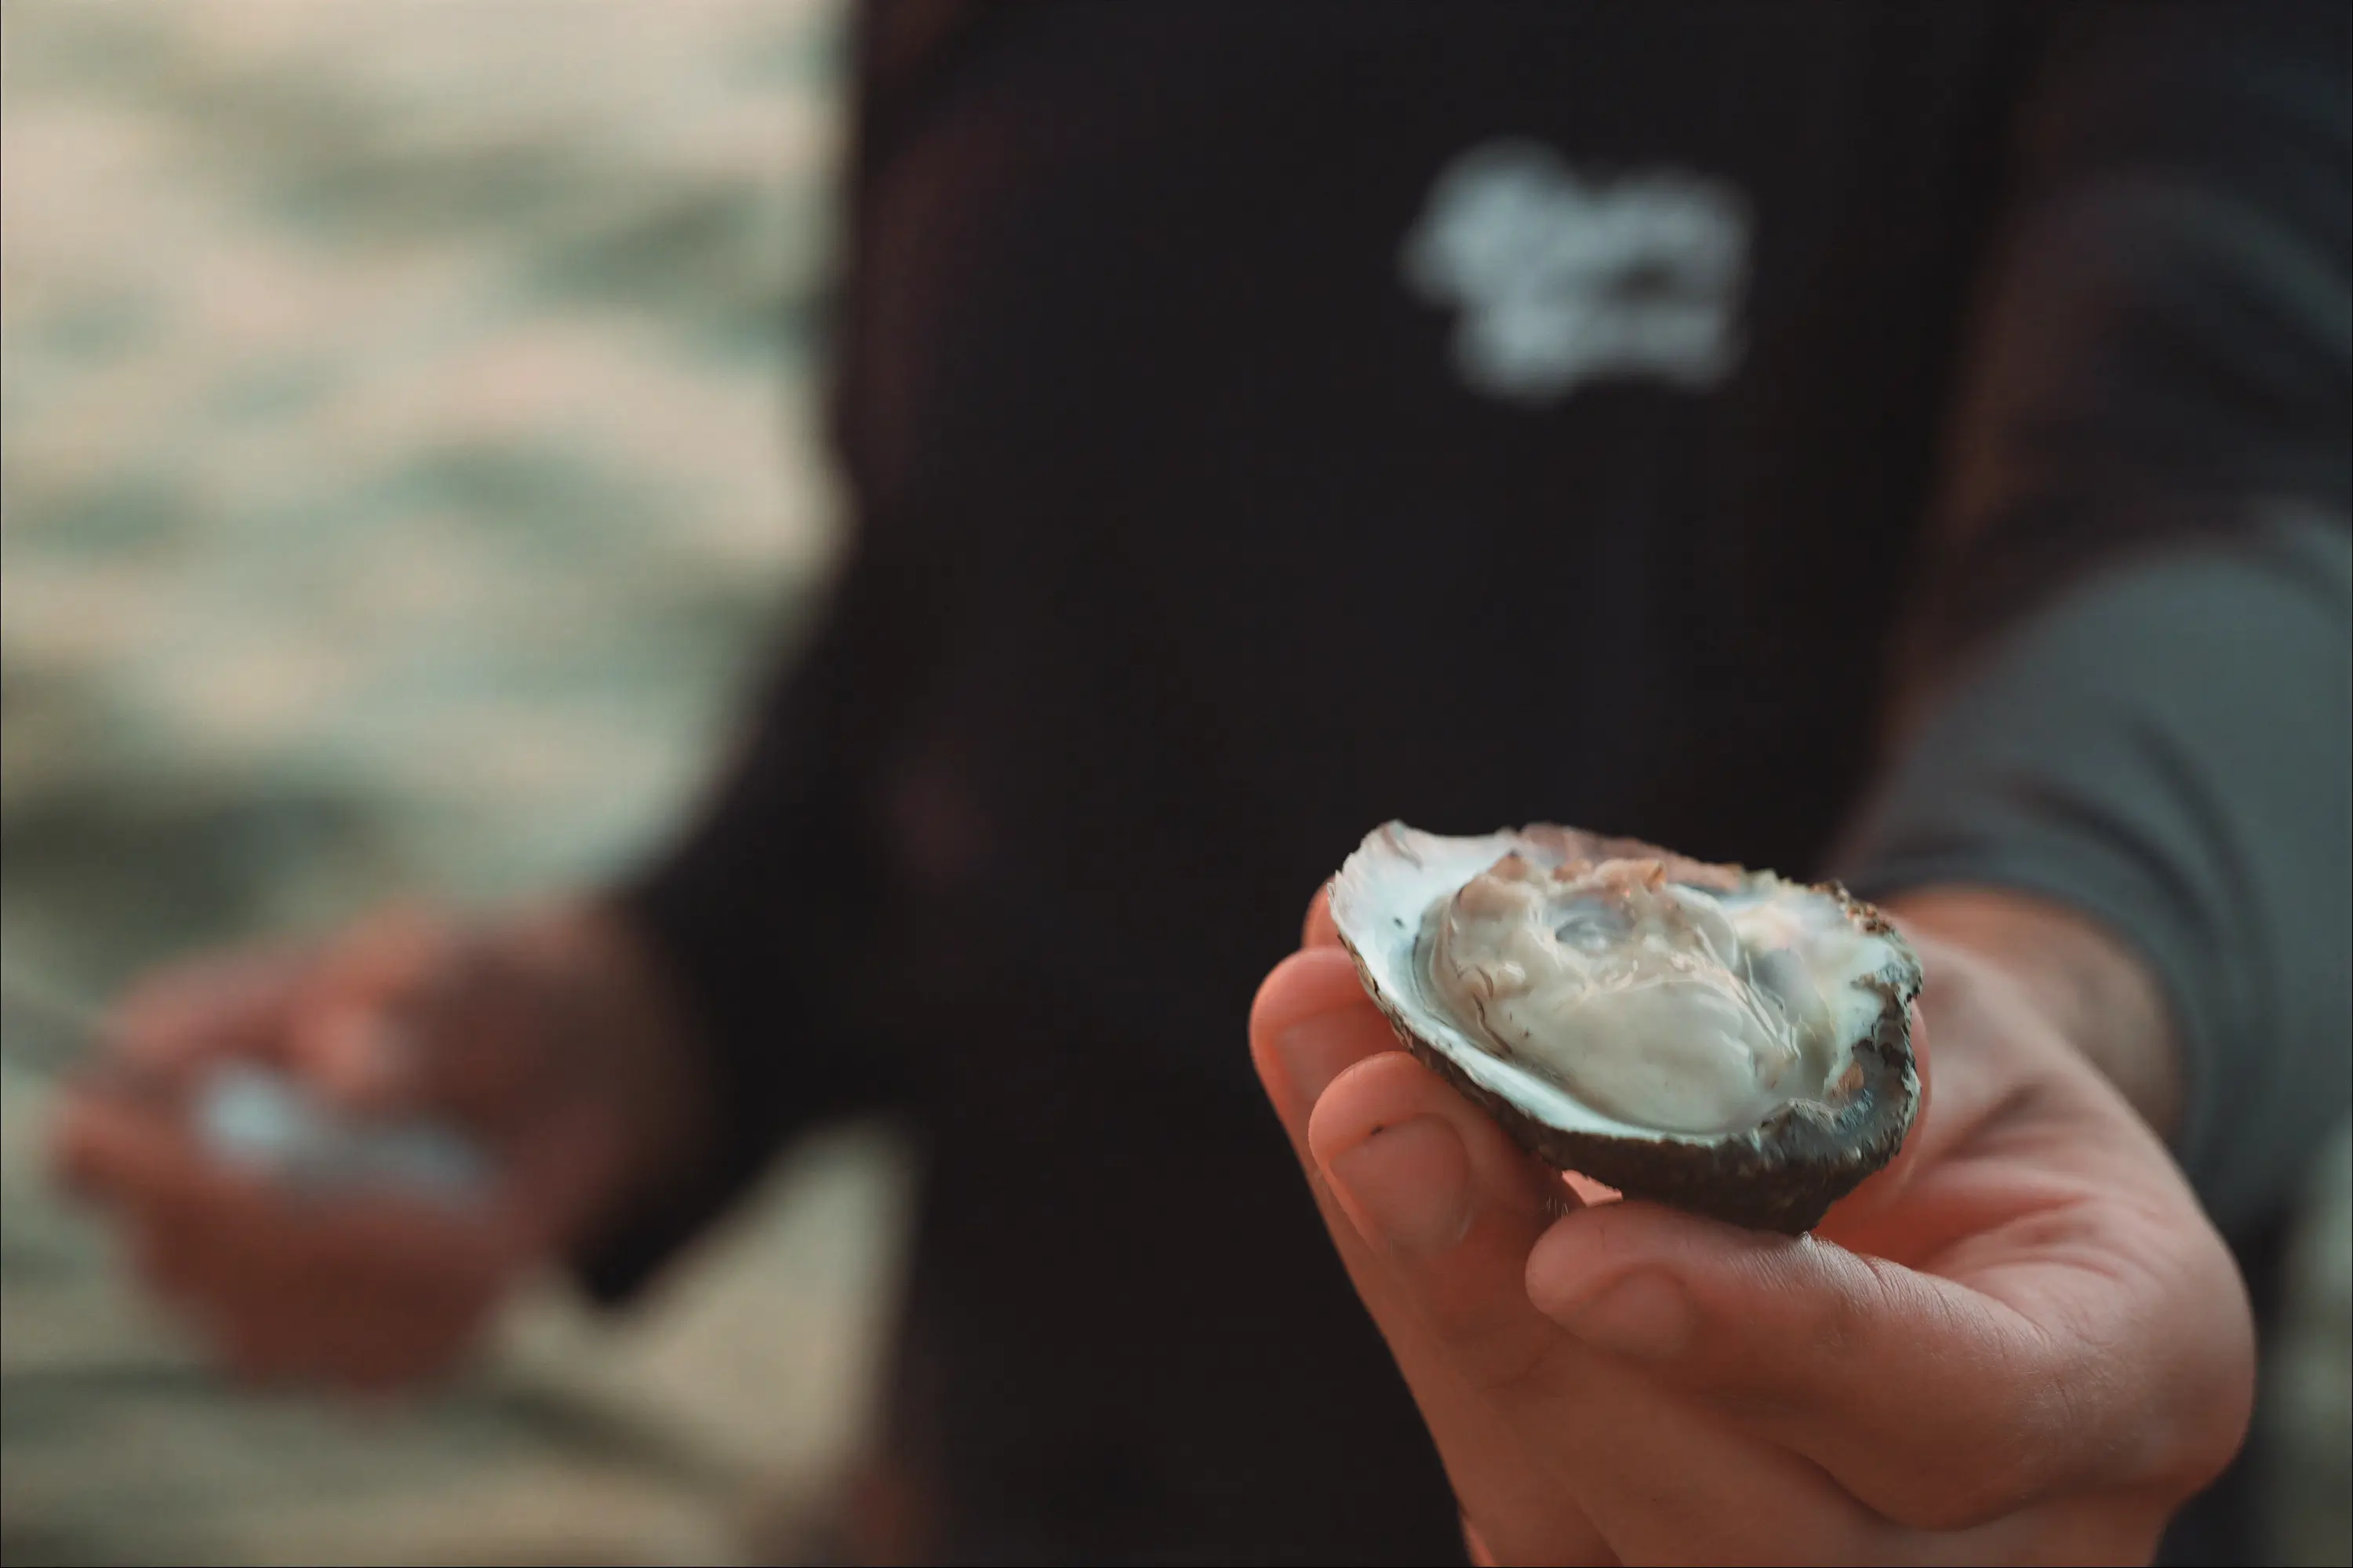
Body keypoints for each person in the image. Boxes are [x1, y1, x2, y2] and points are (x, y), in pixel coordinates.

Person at [50, 3, 2350, 1563]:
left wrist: (2042, 979)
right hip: (999, 1475)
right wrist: (648, 1003)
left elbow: (2237, 513)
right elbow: (947, 657)